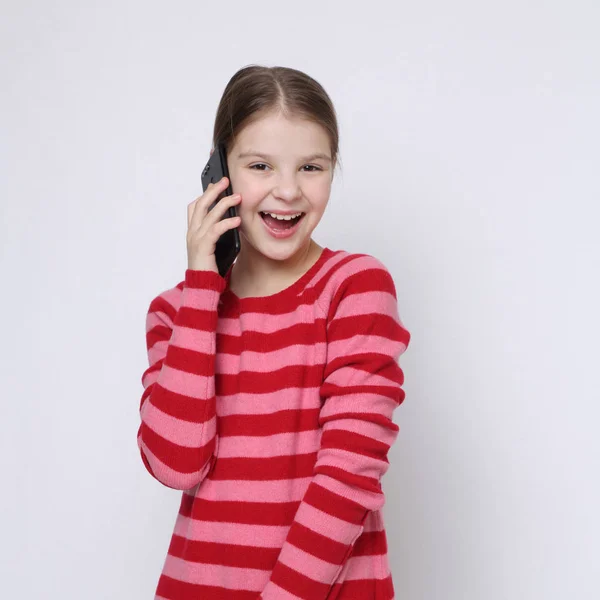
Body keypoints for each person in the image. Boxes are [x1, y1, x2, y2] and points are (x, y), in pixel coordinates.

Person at [137, 64, 411, 600]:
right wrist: (202, 285)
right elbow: (175, 461)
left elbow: (348, 479)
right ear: (219, 173)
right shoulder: (177, 311)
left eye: (311, 166)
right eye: (260, 165)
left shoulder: (354, 287)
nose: (288, 191)